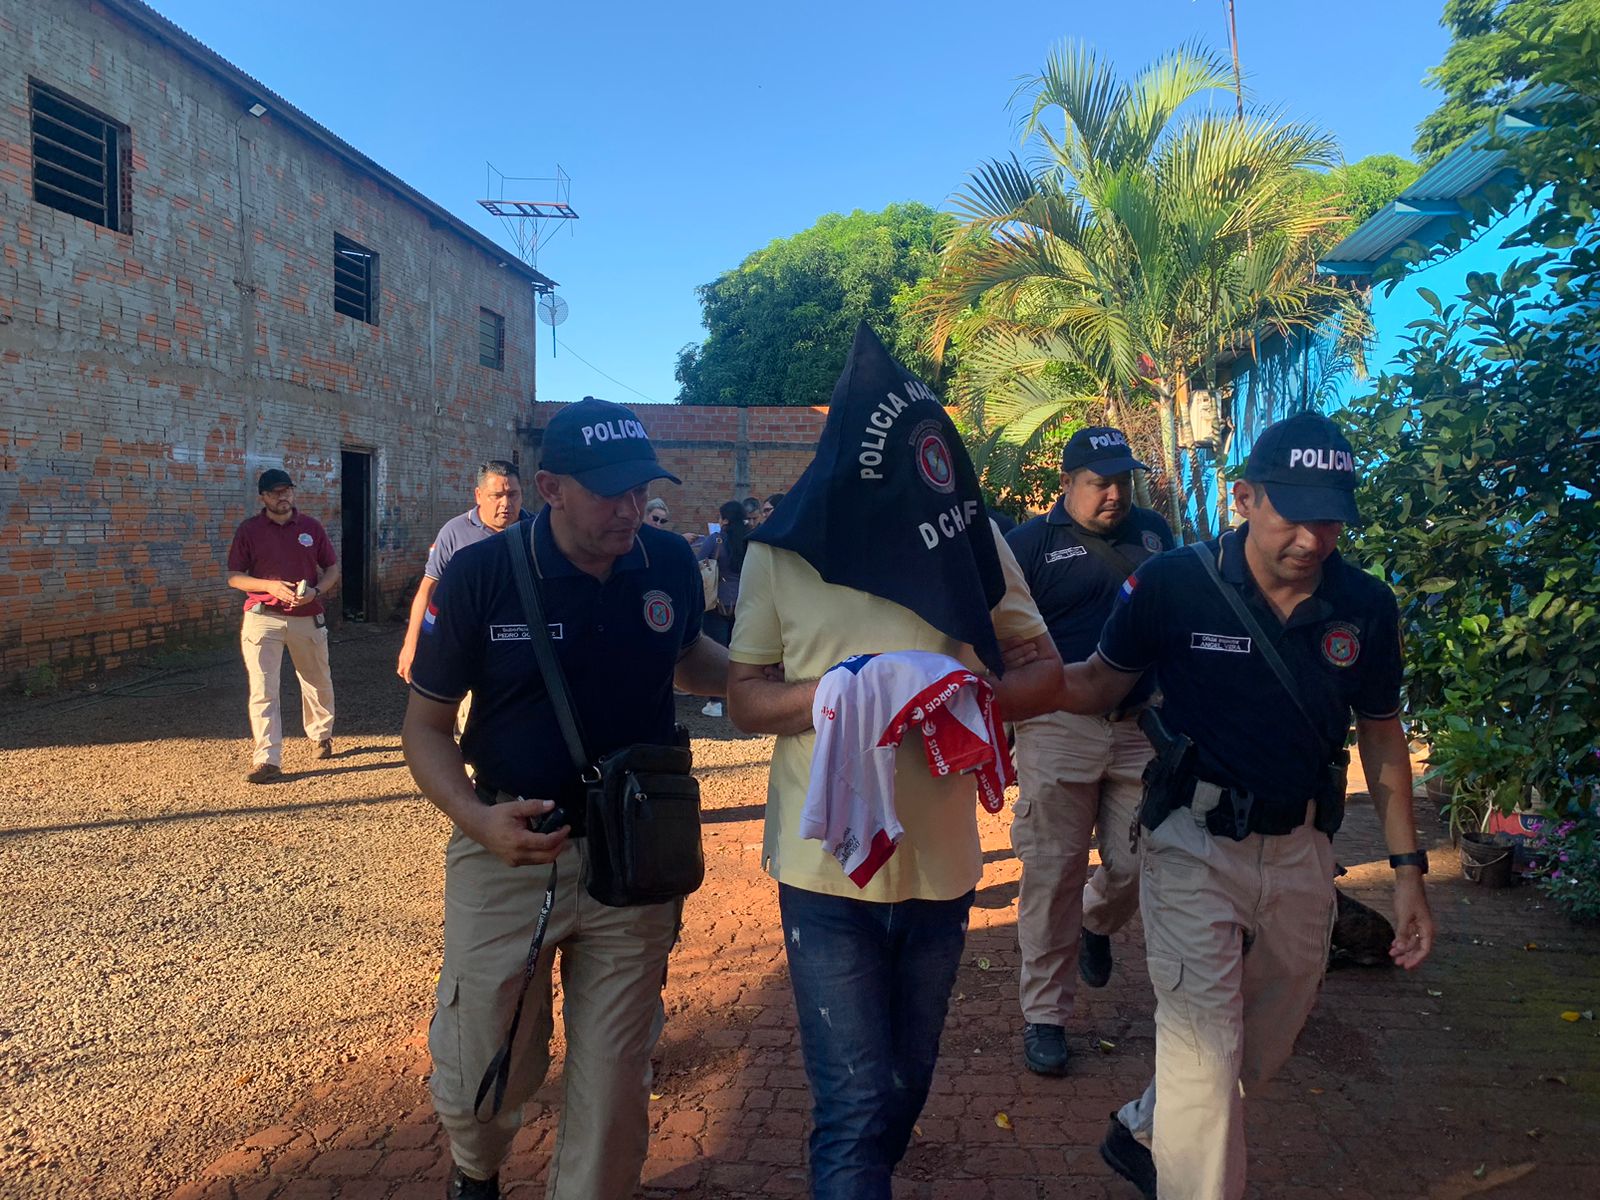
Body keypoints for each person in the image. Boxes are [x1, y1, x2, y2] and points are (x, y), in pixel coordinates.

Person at [1034, 413, 1434, 1200]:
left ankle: (1150, 1124)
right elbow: (1097, 684)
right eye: (1294, 513)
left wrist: (1409, 871)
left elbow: (1382, 739)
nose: (1314, 539)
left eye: (1331, 518)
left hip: (1302, 851)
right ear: (1244, 497)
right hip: (1192, 841)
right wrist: (1003, 686)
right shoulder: (1174, 583)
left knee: (1261, 1045)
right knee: (1205, 1055)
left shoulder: (1366, 606)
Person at [727, 324, 1065, 1200]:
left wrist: (947, 692)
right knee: (852, 1104)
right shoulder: (780, 549)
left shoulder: (966, 538)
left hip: (942, 865)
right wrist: (843, 696)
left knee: (902, 1091)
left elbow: (1045, 672)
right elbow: (744, 697)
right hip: (822, 867)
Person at [402, 396, 729, 1200]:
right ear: (549, 487)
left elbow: (691, 659)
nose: (630, 509)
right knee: (489, 1051)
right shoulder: (481, 575)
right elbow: (426, 729)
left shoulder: (668, 563)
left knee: (615, 1073)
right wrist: (475, 819)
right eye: (608, 492)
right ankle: (475, 1166)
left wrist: (805, 687)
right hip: (506, 849)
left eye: (640, 490)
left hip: (635, 854)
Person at [1003, 427, 1174, 1076]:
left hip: (1140, 731)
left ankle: (1098, 924)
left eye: (1122, 481)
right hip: (1057, 727)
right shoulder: (1030, 545)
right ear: (1068, 484)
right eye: (1100, 482)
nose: (1114, 494)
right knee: (1053, 872)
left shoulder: (1155, 535)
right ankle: (1045, 1015)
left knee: (1140, 861)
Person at [225, 468, 340, 783]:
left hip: (307, 616)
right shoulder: (249, 530)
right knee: (263, 690)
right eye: (275, 492)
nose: (283, 496)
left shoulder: (310, 527)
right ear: (262, 497)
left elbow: (331, 568)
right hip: (262, 616)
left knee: (316, 681)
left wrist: (316, 591)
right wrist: (270, 587)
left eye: (287, 490)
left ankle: (321, 735)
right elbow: (235, 576)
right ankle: (267, 759)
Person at [397, 461, 530, 685]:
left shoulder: (536, 531)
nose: (506, 503)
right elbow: (428, 589)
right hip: (468, 647)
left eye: (513, 494)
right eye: (496, 495)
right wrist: (411, 645)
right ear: (478, 495)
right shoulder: (454, 532)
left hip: (523, 651)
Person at [694, 500, 748, 718]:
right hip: (743, 603)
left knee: (717, 649)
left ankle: (715, 701)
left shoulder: (716, 539)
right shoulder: (748, 540)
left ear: (724, 519)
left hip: (717, 603)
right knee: (738, 652)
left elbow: (699, 562)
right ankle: (739, 696)